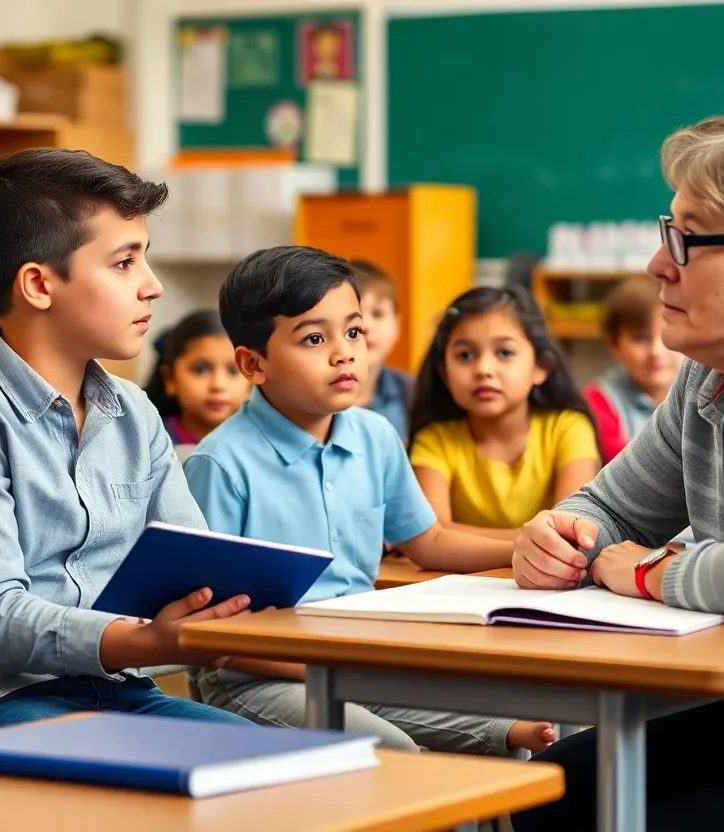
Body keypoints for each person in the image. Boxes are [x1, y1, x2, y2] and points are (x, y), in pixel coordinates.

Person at [511, 91, 724, 831]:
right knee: (547, 798)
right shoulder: (711, 369)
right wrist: (561, 536)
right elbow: (608, 510)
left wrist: (642, 570)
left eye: (688, 239)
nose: (655, 264)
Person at [0, 148, 254, 733]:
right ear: (39, 284)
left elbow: (195, 565)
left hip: (120, 690)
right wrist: (142, 640)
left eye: (146, 260)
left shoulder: (133, 411)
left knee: (280, 768)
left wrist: (226, 601)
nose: (153, 287)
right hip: (1, 701)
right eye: (123, 264)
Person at [183, 246, 554, 754]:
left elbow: (429, 541)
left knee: (520, 722)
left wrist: (524, 546)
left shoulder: (375, 435)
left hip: (358, 659)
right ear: (254, 363)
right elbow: (213, 633)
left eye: (353, 331)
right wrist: (341, 667)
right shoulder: (222, 465)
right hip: (255, 677)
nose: (344, 352)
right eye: (314, 338)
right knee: (390, 752)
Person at [408, 286, 600, 544]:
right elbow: (431, 532)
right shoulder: (434, 439)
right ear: (444, 373)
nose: (484, 369)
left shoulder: (568, 428)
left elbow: (572, 528)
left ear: (541, 367)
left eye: (504, 353)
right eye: (465, 355)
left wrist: (454, 535)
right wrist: (531, 542)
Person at [584, 276, 682, 462]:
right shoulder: (598, 403)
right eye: (640, 338)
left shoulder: (703, 395)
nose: (656, 352)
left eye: (666, 336)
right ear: (615, 344)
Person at [143, 309, 251, 460]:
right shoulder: (147, 445)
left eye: (233, 371)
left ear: (251, 381)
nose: (218, 385)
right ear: (170, 379)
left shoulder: (262, 448)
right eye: (201, 370)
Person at [348, 260, 412, 439]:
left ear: (397, 325)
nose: (366, 326)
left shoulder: (411, 392)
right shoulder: (312, 396)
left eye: (378, 314)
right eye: (354, 317)